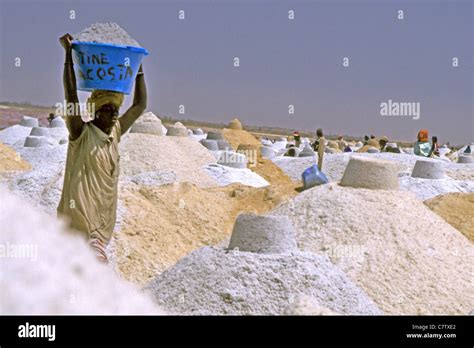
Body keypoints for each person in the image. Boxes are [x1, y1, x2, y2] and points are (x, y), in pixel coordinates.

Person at [56, 33, 147, 263]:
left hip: (101, 232)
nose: (115, 113)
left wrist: (137, 66)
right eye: (108, 109)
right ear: (96, 111)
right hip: (77, 232)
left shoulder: (115, 133)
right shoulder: (81, 133)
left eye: (116, 109)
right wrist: (68, 54)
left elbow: (139, 105)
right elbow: (71, 97)